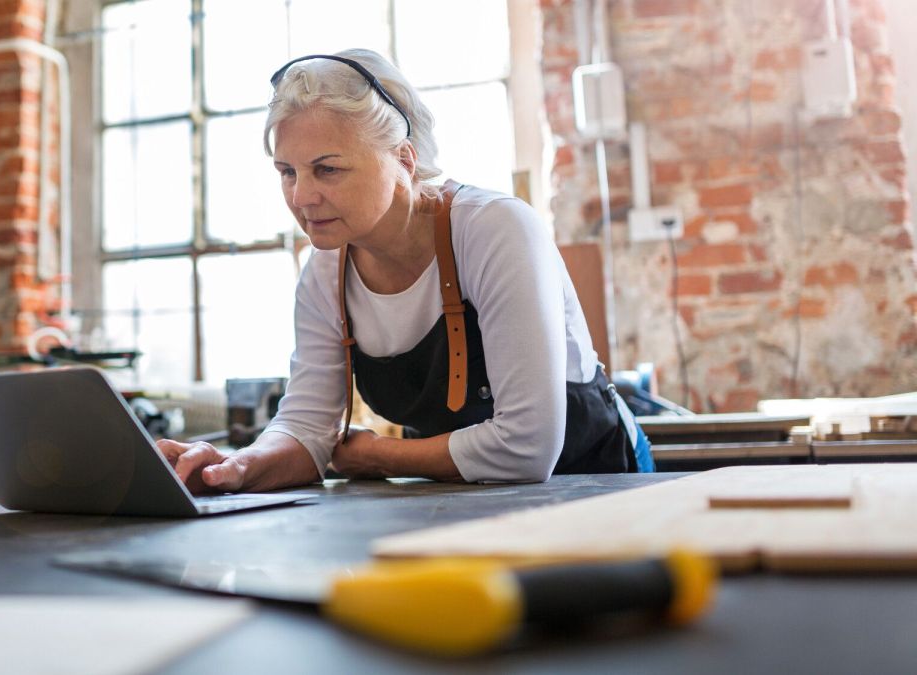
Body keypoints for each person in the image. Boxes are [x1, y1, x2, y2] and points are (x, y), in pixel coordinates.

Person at [157, 48, 653, 494]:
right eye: (288, 172)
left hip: (597, 488)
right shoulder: (325, 273)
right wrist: (238, 466)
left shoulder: (495, 230)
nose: (301, 197)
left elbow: (527, 447)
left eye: (327, 169)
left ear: (405, 159)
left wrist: (377, 455)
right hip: (459, 503)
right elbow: (307, 429)